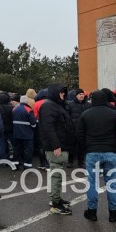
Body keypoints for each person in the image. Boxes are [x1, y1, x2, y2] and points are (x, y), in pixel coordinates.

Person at [77, 90, 116, 223]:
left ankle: (92, 212)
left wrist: (86, 149)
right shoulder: (114, 114)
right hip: (110, 152)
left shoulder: (85, 114)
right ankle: (113, 213)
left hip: (92, 152)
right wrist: (115, 146)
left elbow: (80, 135)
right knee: (111, 183)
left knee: (92, 182)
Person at [39, 83, 76, 215]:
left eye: (64, 92)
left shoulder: (56, 106)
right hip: (56, 148)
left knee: (58, 175)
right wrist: (56, 145)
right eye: (61, 92)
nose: (63, 94)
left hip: (61, 146)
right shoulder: (49, 106)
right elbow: (48, 128)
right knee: (56, 175)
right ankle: (55, 203)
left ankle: (56, 198)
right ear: (54, 92)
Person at [66, 89, 90, 168]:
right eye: (80, 94)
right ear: (76, 95)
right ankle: (70, 161)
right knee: (72, 147)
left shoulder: (87, 105)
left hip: (83, 130)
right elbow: (67, 117)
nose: (81, 95)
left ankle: (81, 162)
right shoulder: (70, 105)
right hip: (73, 129)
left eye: (82, 94)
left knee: (82, 147)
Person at [12, 95, 37, 170]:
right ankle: (27, 165)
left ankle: (15, 164)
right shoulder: (29, 110)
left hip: (16, 133)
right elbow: (33, 123)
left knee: (16, 149)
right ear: (26, 101)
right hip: (27, 134)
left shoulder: (14, 109)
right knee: (27, 150)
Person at [0, 92, 14, 160]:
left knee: (2, 145)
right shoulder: (12, 108)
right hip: (11, 129)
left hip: (2, 129)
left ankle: (3, 160)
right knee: (13, 145)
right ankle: (15, 158)